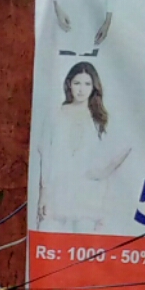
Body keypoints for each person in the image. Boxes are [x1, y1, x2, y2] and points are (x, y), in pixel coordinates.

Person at [37, 60, 131, 227]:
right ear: (69, 84)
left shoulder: (100, 117)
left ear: (94, 87)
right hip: (57, 192)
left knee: (84, 238)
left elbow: (126, 145)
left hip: (88, 195)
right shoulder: (55, 115)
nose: (81, 89)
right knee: (51, 236)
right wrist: (43, 193)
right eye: (77, 83)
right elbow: (46, 155)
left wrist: (104, 172)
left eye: (87, 84)